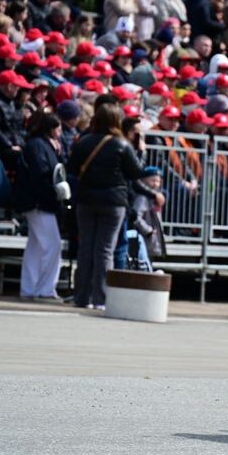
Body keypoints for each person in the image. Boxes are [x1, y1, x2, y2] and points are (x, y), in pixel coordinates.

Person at [67, 102, 144, 309]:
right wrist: (141, 151)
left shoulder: (83, 142)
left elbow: (71, 168)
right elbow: (136, 172)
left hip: (86, 199)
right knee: (105, 250)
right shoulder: (122, 144)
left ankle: (81, 297)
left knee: (86, 248)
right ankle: (100, 298)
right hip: (113, 201)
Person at [15, 112, 64, 301]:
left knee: (35, 247)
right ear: (51, 128)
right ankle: (45, 289)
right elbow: (42, 175)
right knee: (52, 244)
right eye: (58, 127)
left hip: (36, 201)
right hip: (38, 202)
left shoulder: (41, 145)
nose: (60, 131)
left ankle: (29, 288)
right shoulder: (39, 146)